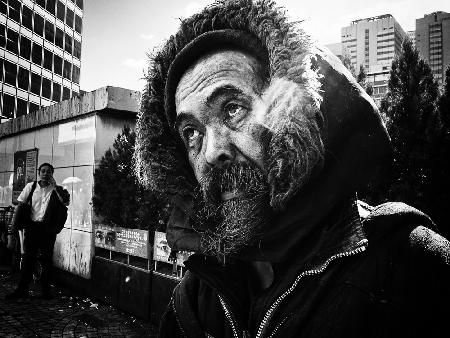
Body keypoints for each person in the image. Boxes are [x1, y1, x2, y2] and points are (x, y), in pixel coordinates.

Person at [134, 0, 450, 337]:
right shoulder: (195, 296)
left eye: (232, 109)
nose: (211, 152)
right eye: (192, 133)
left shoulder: (410, 265)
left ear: (294, 116)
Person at [5, 163, 70, 300]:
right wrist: (12, 230)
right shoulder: (31, 187)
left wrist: (56, 187)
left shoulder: (57, 190)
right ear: (39, 172)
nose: (45, 173)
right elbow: (20, 207)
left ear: (52, 173)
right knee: (29, 260)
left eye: (48, 171)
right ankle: (22, 290)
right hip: (32, 228)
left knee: (47, 261)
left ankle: (46, 292)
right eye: (43, 171)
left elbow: (65, 202)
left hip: (48, 230)